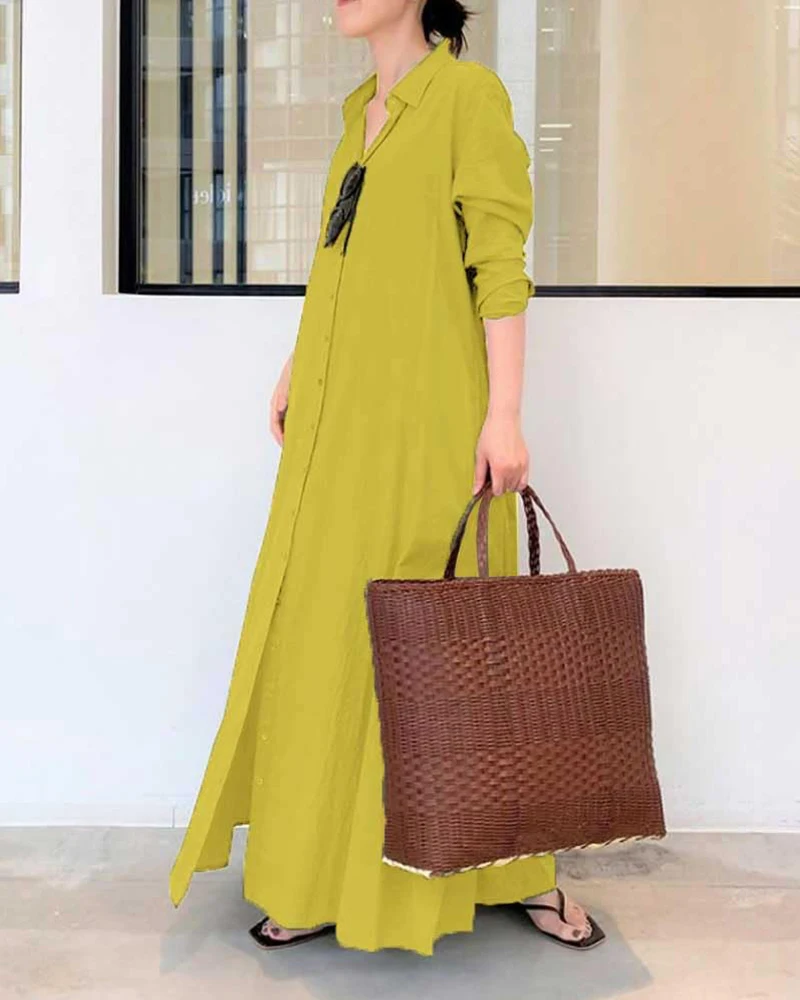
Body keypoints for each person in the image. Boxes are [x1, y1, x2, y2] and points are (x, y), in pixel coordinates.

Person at [169, 0, 606, 956]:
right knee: (330, 638)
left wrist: (504, 413)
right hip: (338, 425)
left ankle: (515, 870)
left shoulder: (467, 98)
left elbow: (499, 266)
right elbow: (343, 265)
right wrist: (299, 364)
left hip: (426, 427)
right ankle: (318, 875)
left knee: (450, 650)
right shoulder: (356, 113)